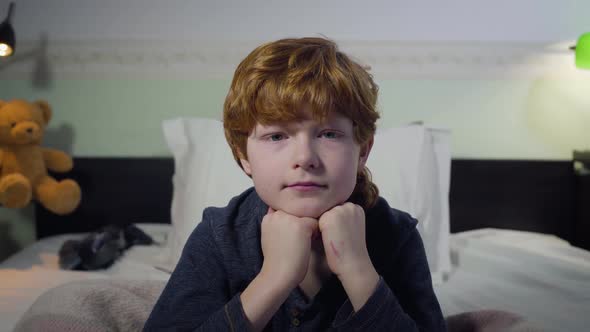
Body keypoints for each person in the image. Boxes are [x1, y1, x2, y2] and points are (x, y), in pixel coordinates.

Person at [144, 37, 446, 331]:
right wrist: (276, 276)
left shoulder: (397, 236)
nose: (304, 158)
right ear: (244, 156)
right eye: (276, 136)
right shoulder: (220, 236)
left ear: (362, 150)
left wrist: (357, 268)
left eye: (328, 134)